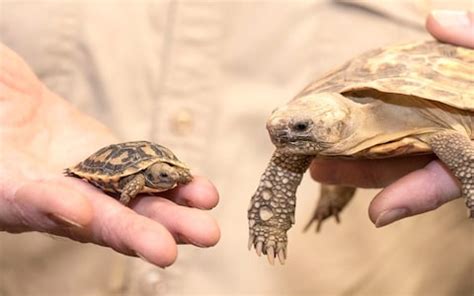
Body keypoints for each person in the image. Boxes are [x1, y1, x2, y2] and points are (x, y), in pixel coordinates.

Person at [0, 2, 472, 295]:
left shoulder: (425, 121)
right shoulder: (308, 129)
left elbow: (449, 135)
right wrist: (271, 212)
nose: (284, 141)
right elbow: (292, 145)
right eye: (282, 127)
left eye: (299, 127)